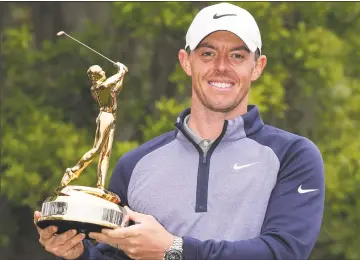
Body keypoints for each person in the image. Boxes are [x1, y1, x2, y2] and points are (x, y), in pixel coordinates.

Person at [34, 2, 325, 260]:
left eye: (237, 56)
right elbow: (113, 254)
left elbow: (283, 252)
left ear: (257, 67)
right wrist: (79, 252)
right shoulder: (134, 165)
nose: (221, 67)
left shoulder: (293, 155)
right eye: (208, 53)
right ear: (186, 62)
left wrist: (174, 250)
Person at [60, 62, 128, 189]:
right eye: (100, 72)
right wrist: (121, 71)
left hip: (112, 118)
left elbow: (116, 88)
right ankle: (73, 171)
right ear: (95, 77)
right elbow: (110, 82)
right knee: (97, 149)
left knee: (106, 153)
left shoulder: (106, 86)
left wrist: (122, 73)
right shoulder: (98, 87)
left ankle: (100, 185)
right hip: (105, 117)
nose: (103, 72)